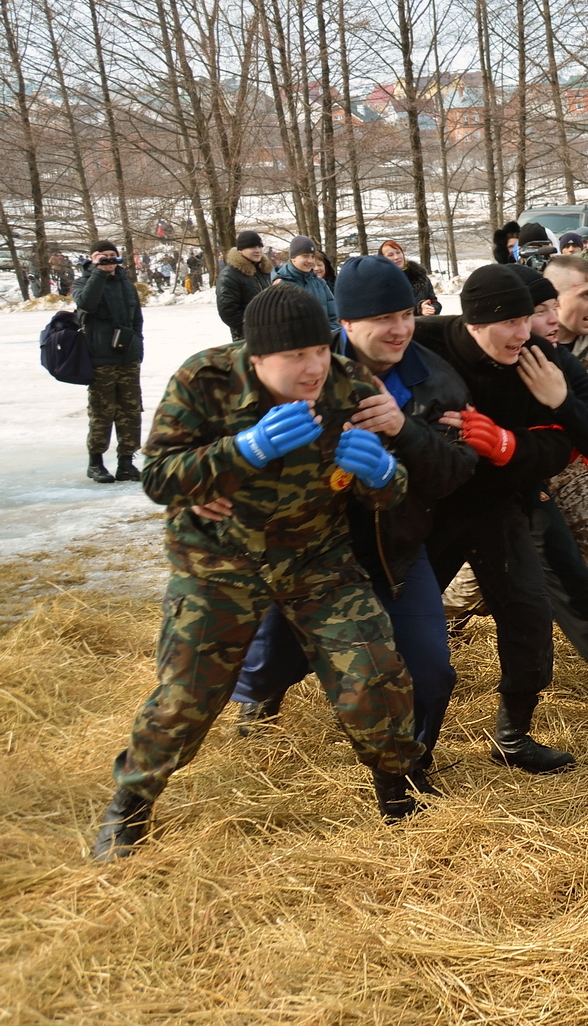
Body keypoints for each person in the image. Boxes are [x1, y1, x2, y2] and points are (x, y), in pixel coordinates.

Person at [91, 284, 430, 860]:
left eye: (319, 350)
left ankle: (400, 790)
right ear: (256, 359)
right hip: (219, 562)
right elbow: (159, 478)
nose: (313, 367)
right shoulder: (205, 381)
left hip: (314, 558)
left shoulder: (349, 385)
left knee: (374, 672)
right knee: (186, 697)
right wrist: (240, 452)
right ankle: (131, 805)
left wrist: (380, 474)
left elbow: (392, 493)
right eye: (294, 356)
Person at [227, 257, 477, 762]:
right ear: (346, 323)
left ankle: (413, 763)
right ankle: (260, 700)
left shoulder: (435, 380)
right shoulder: (299, 363)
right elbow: (219, 417)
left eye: (406, 314)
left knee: (431, 670)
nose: (400, 329)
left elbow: (452, 475)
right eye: (384, 319)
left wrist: (403, 431)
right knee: (268, 661)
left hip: (393, 546)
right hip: (305, 547)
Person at [414, 265, 588, 775]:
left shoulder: (544, 360)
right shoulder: (424, 340)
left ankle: (513, 736)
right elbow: (337, 357)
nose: (525, 334)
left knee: (527, 614)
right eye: (510, 322)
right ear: (475, 322)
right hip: (428, 509)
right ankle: (405, 750)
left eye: (529, 319)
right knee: (401, 623)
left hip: (499, 504)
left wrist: (513, 440)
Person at [75, 239, 145, 484]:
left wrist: (138, 346)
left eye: (112, 256)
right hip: (100, 358)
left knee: (131, 410)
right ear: (93, 258)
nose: (109, 261)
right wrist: (97, 273)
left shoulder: (127, 284)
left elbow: (137, 318)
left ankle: (126, 462)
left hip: (128, 357)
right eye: (103, 256)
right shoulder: (84, 282)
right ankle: (95, 463)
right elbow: (86, 304)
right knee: (102, 412)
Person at [217, 231, 274, 341]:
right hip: (247, 338)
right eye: (252, 247)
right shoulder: (229, 275)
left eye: (259, 246)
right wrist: (252, 331)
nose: (257, 250)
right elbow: (228, 311)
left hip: (270, 334)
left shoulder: (263, 271)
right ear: (240, 250)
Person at [275, 235, 339, 328]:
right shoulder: (281, 285)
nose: (310, 261)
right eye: (305, 256)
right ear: (293, 258)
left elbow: (333, 318)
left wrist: (330, 338)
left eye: (312, 256)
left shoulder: (320, 283)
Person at [379, 239, 440, 315]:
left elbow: (434, 301)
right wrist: (418, 309)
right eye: (390, 255)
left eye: (398, 252)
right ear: (382, 259)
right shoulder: (380, 283)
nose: (396, 257)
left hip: (424, 325)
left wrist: (431, 308)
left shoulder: (420, 277)